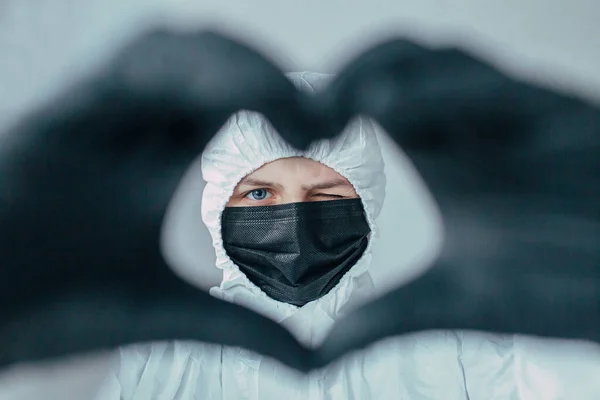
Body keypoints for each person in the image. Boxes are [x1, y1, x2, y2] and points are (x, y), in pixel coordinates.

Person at [96, 72, 599, 400]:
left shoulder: (455, 346)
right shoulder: (148, 352)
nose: (295, 219)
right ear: (217, 204)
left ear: (368, 203)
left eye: (327, 196)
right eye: (259, 196)